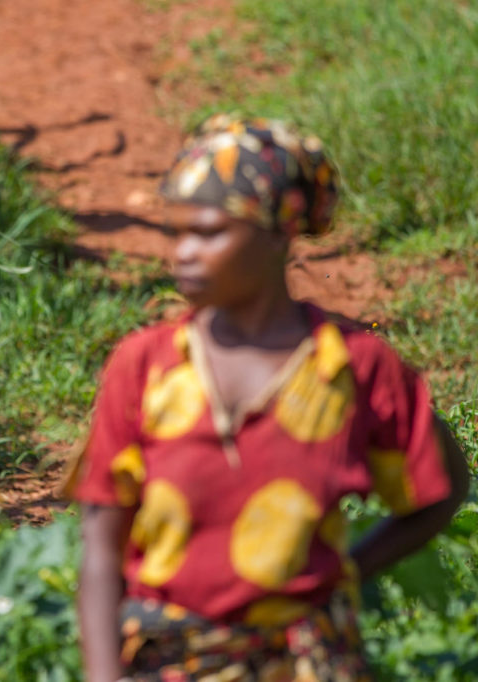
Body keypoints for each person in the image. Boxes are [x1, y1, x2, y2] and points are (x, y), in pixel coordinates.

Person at [66, 114, 470, 681]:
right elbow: (102, 546)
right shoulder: (146, 367)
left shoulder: (353, 367)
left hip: (311, 663)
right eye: (176, 232)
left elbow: (442, 488)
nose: (183, 252)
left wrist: (342, 574)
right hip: (170, 662)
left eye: (208, 233)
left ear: (280, 232)